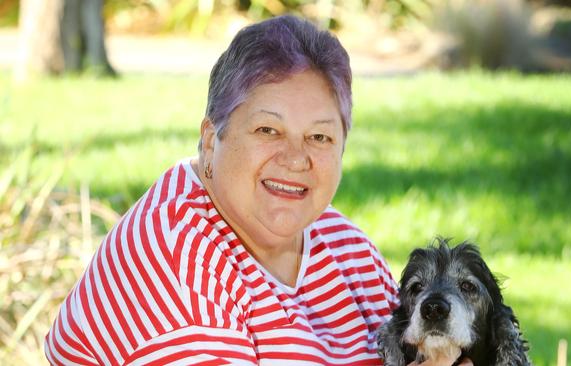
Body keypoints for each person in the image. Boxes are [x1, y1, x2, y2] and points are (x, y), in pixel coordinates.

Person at [44, 15, 470, 365]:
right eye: (268, 129)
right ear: (212, 139)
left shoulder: (347, 250)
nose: (295, 158)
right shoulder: (177, 263)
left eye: (320, 138)